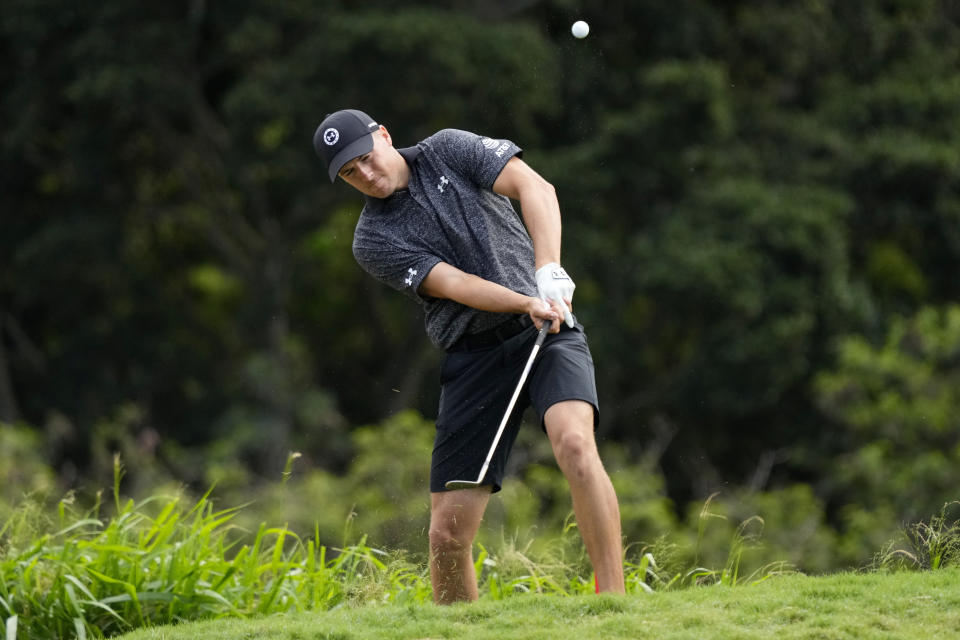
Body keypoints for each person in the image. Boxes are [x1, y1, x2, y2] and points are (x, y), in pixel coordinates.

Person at [313, 109, 625, 603]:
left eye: (366, 159)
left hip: (545, 332)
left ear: (385, 136)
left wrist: (547, 271)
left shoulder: (448, 149)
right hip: (474, 358)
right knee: (446, 536)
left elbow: (536, 189)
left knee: (574, 446)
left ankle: (614, 600)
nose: (366, 176)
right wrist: (524, 298)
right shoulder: (372, 239)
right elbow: (454, 284)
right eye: (351, 174)